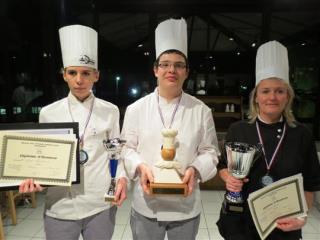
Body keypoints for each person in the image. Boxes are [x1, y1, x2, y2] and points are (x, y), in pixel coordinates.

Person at [19, 24, 127, 240]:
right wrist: (31, 174)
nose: (79, 79)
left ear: (96, 76)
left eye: (86, 73)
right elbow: (41, 157)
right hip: (60, 204)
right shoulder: (49, 113)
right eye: (73, 72)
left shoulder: (110, 111)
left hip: (99, 203)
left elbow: (117, 153)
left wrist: (122, 179)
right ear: (64, 75)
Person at [121, 18, 219, 240]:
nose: (171, 70)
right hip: (146, 204)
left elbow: (210, 152)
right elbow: (126, 149)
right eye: (165, 64)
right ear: (155, 70)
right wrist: (140, 167)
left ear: (186, 71)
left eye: (178, 65)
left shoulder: (201, 110)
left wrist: (194, 170)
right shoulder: (137, 109)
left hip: (186, 204)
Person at [216, 40, 320, 240]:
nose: (272, 97)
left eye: (280, 91)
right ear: (256, 97)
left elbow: (309, 184)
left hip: (283, 226)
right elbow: (222, 166)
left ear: (287, 97)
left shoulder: (302, 135)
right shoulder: (238, 130)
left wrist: (302, 217)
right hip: (241, 223)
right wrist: (228, 177)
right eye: (266, 91)